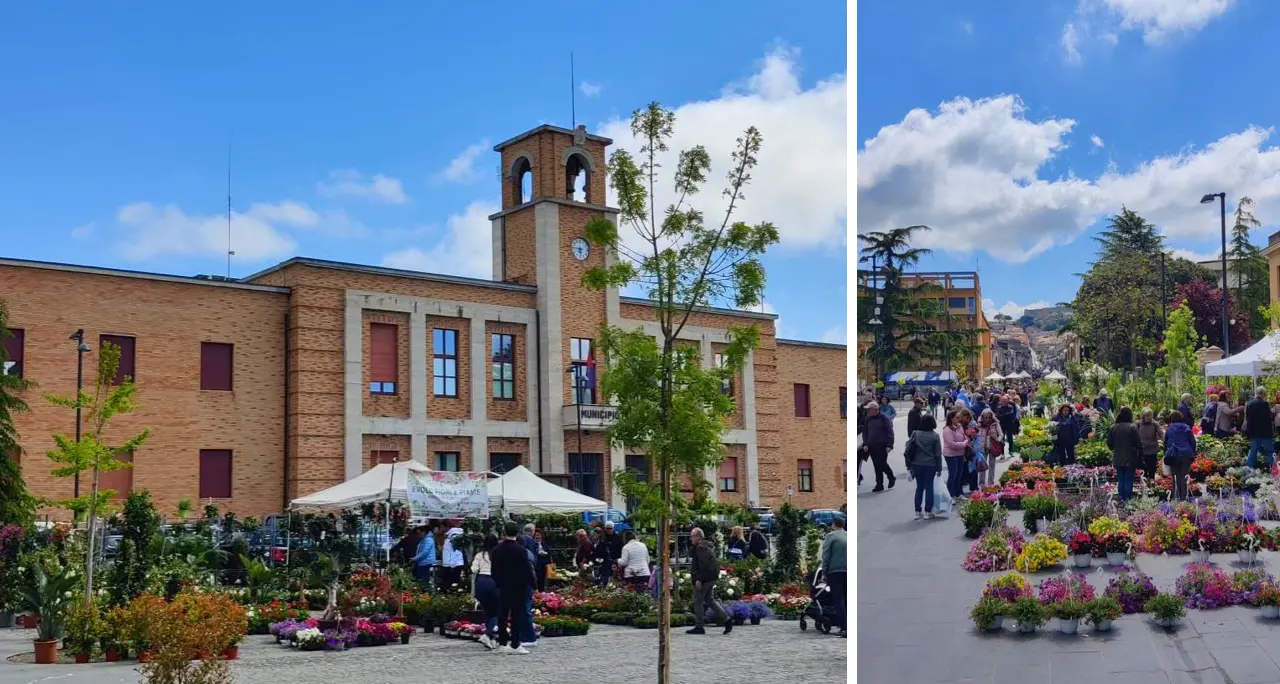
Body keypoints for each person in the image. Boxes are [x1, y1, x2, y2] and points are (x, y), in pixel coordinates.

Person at [491, 521, 536, 655]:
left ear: (504, 532)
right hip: (518, 587)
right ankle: (515, 643)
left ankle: (502, 642)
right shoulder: (521, 550)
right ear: (517, 533)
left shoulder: (497, 549)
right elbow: (526, 569)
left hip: (502, 586)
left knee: (502, 615)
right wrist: (533, 584)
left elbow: (494, 570)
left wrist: (498, 582)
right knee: (516, 615)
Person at [686, 527, 732, 635]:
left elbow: (704, 565)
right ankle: (727, 620)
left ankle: (699, 626)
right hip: (711, 577)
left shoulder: (701, 548)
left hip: (705, 578)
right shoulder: (704, 546)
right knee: (709, 600)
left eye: (692, 536)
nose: (690, 538)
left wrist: (699, 579)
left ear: (698, 537)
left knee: (697, 601)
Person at [904, 414, 943, 519]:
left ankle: (917, 511)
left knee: (919, 487)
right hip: (930, 464)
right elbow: (938, 454)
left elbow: (908, 450)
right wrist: (939, 468)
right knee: (929, 487)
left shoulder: (915, 434)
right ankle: (928, 511)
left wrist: (908, 466)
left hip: (916, 464)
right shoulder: (935, 436)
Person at [470, 534, 500, 650]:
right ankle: (488, 634)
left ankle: (491, 638)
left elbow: (473, 570)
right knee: (496, 611)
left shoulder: (480, 555)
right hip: (494, 581)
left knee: (487, 610)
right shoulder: (498, 555)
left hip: (481, 582)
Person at [819, 517, 847, 636]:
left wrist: (824, 572)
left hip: (835, 571)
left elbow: (826, 555)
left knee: (838, 600)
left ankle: (844, 627)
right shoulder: (847, 535)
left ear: (834, 524)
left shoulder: (831, 536)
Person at [1108, 407, 1142, 501]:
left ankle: (1121, 499)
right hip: (1130, 457)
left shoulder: (1113, 427)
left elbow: (1109, 444)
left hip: (1117, 457)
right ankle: (1128, 500)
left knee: (1121, 479)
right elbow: (1138, 443)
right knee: (1129, 480)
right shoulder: (1132, 427)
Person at [863, 401, 896, 492]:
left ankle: (891, 477)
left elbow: (890, 432)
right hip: (872, 446)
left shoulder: (884, 418)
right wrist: (865, 443)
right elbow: (865, 432)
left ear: (875, 410)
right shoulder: (868, 419)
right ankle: (879, 484)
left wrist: (890, 445)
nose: (868, 411)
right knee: (876, 465)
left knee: (882, 463)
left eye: (869, 409)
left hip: (882, 445)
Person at [1164, 411, 1197, 500]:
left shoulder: (1169, 429)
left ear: (1171, 419)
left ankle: (1176, 496)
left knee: (1175, 476)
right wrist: (1192, 453)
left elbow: (1166, 443)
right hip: (1186, 454)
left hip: (1174, 454)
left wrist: (1165, 454)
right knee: (1184, 475)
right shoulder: (1187, 428)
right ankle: (1184, 497)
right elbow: (1193, 442)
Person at [942, 409, 971, 498]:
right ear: (951, 419)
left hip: (960, 454)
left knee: (959, 475)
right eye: (957, 417)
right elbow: (951, 444)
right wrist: (965, 443)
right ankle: (950, 495)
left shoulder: (959, 427)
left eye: (959, 417)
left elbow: (963, 436)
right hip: (951, 455)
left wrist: (967, 437)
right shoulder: (947, 430)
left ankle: (958, 493)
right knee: (953, 475)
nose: (959, 419)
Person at [1245, 386, 1276, 470]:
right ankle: (1275, 470)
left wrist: (1248, 431)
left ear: (1257, 393)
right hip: (1265, 432)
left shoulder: (1250, 403)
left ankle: (1248, 469)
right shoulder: (1265, 404)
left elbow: (1248, 418)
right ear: (1263, 394)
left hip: (1254, 432)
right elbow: (1269, 418)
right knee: (1270, 452)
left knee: (1253, 451)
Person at [975, 408, 1004, 489]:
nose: (987, 419)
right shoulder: (979, 424)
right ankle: (982, 483)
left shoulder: (995, 423)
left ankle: (990, 483)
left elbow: (1001, 434)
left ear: (992, 417)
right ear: (982, 417)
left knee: (992, 465)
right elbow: (975, 435)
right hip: (982, 447)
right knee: (982, 466)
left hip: (992, 447)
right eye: (986, 417)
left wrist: (998, 440)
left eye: (989, 417)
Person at [1136, 407, 1164, 481]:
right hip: (1141, 450)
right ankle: (1144, 485)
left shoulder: (1155, 424)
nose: (1149, 417)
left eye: (1150, 415)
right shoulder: (1138, 424)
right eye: (1147, 415)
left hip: (1152, 450)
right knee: (1142, 469)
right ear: (1143, 416)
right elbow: (1133, 435)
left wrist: (1164, 441)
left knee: (1152, 469)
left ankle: (1152, 483)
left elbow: (1161, 433)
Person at [439, 520, 466, 591]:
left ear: (447, 527)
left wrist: (452, 565)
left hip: (452, 564)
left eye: (442, 527)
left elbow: (455, 551)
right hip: (451, 563)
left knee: (450, 583)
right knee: (450, 583)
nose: (441, 529)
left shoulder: (454, 536)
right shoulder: (450, 535)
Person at [411, 523, 437, 591]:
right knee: (422, 580)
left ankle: (426, 593)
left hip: (426, 563)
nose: (418, 535)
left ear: (424, 532)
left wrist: (415, 558)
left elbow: (424, 552)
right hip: (423, 562)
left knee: (424, 580)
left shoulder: (428, 540)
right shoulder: (425, 539)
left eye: (419, 533)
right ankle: (424, 593)